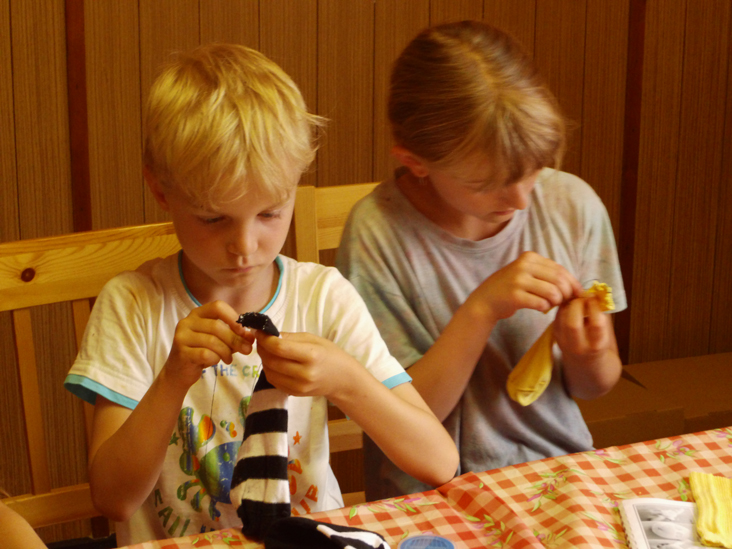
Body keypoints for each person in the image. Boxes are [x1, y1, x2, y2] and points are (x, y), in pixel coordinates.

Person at [64, 43, 458, 545]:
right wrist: (171, 379)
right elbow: (113, 499)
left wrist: (347, 380)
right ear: (161, 191)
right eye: (214, 218)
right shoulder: (133, 306)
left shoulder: (324, 297)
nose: (245, 246)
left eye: (270, 213)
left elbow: (438, 462)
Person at [336, 20, 627, 501]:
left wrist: (588, 354)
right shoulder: (377, 233)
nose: (520, 200)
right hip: (429, 494)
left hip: (559, 476)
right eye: (485, 184)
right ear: (415, 162)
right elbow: (402, 420)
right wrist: (481, 309)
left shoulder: (572, 206)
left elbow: (596, 385)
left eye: (533, 172)